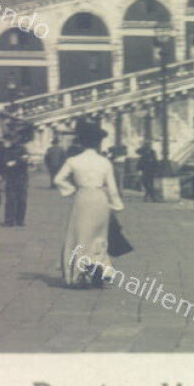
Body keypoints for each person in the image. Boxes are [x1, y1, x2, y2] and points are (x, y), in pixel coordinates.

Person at [54, 120, 125, 288]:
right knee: (98, 237)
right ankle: (98, 272)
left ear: (81, 142)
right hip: (100, 199)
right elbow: (112, 188)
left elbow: (58, 179)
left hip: (82, 198)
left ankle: (77, 274)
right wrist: (116, 205)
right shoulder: (105, 162)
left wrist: (71, 191)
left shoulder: (73, 160)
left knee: (79, 236)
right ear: (98, 143)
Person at [0, 125, 33, 227]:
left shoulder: (22, 148)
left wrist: (15, 162)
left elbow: (26, 159)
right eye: (6, 140)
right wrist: (20, 160)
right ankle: (9, 220)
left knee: (22, 200)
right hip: (11, 177)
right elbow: (4, 163)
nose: (6, 142)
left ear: (14, 140)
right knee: (10, 199)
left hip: (22, 177)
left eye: (8, 140)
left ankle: (20, 220)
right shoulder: (4, 150)